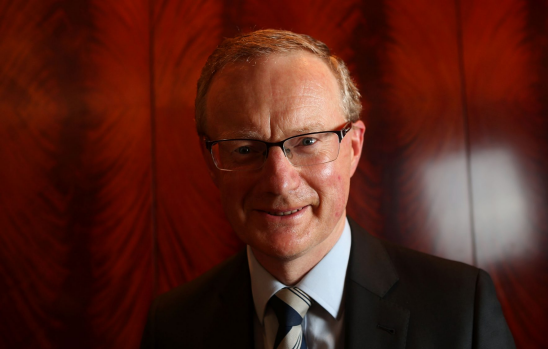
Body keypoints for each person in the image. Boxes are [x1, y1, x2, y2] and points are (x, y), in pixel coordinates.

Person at [140, 29, 516, 349]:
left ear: (353, 148)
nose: (280, 181)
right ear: (212, 162)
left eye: (307, 142)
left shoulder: (461, 310)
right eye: (245, 148)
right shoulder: (173, 326)